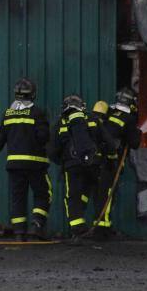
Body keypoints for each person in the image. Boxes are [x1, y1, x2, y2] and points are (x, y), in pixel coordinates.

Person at [0, 78, 51, 241]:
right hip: (36, 164)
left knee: (18, 198)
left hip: (14, 165)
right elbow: (43, 137)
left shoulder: (8, 114)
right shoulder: (37, 113)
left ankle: (19, 233)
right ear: (33, 95)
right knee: (43, 194)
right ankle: (37, 225)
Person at [48, 94, 100, 240]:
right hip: (92, 165)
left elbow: (52, 150)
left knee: (73, 196)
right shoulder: (92, 119)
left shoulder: (60, 123)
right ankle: (97, 228)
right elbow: (105, 140)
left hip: (71, 166)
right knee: (90, 192)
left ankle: (77, 229)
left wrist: (62, 161)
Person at [93, 88, 142, 237]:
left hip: (96, 158)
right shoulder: (129, 118)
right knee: (107, 193)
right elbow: (134, 143)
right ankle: (102, 229)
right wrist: (138, 131)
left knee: (99, 192)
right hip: (110, 160)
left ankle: (103, 225)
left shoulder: (109, 112)